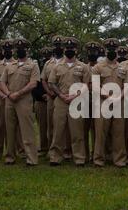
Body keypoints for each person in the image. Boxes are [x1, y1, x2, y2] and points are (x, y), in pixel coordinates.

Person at [48, 37, 91, 166]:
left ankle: (79, 158)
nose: (69, 50)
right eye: (67, 48)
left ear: (76, 50)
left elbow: (86, 85)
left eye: (71, 48)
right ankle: (55, 157)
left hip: (77, 102)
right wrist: (61, 95)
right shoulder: (57, 66)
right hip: (60, 102)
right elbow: (52, 83)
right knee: (58, 131)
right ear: (64, 49)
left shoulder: (83, 67)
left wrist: (74, 96)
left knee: (77, 132)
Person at [0, 38, 40, 166]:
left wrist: (18, 93)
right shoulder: (10, 66)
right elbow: (2, 82)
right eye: (18, 48)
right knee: (10, 130)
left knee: (27, 130)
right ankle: (10, 157)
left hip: (24, 100)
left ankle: (31, 158)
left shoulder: (33, 65)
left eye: (22, 48)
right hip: (10, 100)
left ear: (27, 50)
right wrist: (8, 94)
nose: (20, 50)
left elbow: (33, 83)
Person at [91, 38, 127, 168]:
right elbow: (95, 85)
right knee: (101, 132)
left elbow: (126, 86)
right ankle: (99, 159)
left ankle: (119, 160)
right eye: (109, 49)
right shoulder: (97, 67)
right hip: (102, 103)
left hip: (119, 103)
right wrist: (107, 96)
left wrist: (118, 98)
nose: (111, 51)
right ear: (105, 51)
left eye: (114, 49)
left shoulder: (123, 68)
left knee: (118, 133)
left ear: (117, 51)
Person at [84, 41, 102, 163]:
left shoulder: (101, 67)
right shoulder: (83, 67)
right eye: (90, 52)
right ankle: (85, 155)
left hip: (97, 102)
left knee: (97, 130)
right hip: (85, 101)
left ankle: (95, 153)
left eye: (94, 52)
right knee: (84, 129)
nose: (92, 54)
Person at [33, 46, 53, 157]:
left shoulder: (54, 66)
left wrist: (49, 94)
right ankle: (43, 147)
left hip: (52, 98)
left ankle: (52, 147)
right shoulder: (36, 67)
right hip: (40, 100)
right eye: (44, 55)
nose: (46, 57)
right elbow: (35, 84)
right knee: (42, 126)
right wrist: (42, 95)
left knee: (53, 125)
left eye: (48, 55)